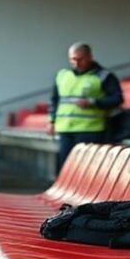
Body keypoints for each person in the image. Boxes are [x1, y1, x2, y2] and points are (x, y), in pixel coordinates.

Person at [48, 42, 123, 171]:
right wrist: (52, 121)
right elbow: (54, 100)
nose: (76, 63)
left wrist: (93, 102)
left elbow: (117, 99)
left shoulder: (104, 76)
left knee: (86, 170)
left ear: (90, 57)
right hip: (65, 130)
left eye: (80, 59)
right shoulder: (62, 75)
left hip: (91, 131)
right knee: (65, 170)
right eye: (73, 59)